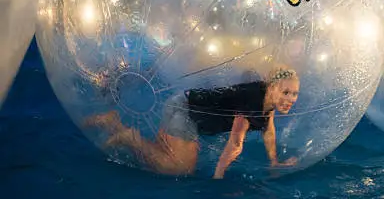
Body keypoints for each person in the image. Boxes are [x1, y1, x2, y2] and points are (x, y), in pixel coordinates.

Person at [84, 65, 300, 179]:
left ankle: (113, 123)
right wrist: (218, 178)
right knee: (180, 169)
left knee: (162, 153)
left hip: (183, 103)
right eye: (286, 92)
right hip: (186, 112)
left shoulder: (265, 98)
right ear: (272, 87)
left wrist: (273, 161)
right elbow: (235, 142)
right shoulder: (252, 103)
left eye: (294, 94)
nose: (290, 99)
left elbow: (268, 129)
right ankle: (129, 138)